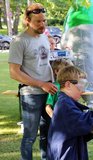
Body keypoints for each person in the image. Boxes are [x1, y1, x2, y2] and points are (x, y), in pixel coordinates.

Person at [8, 3, 58, 160]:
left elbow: (44, 63)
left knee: (47, 134)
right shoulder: (19, 41)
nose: (42, 24)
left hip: (49, 92)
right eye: (38, 22)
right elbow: (14, 73)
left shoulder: (44, 37)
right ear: (27, 21)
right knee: (29, 137)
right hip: (31, 94)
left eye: (44, 21)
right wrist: (41, 84)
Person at [47, 65, 93, 160]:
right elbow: (82, 123)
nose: (83, 90)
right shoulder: (65, 104)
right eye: (81, 85)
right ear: (68, 85)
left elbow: (81, 133)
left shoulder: (68, 102)